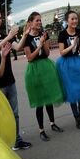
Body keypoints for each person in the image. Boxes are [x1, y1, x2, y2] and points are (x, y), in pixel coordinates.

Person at [0, 11, 31, 151]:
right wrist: (9, 37)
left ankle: (17, 140)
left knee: (15, 113)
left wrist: (24, 34)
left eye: (0, 18)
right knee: (2, 115)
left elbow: (17, 47)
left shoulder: (6, 36)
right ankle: (4, 143)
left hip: (10, 80)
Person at [23, 12, 65, 142]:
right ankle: (41, 130)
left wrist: (45, 42)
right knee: (39, 101)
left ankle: (52, 123)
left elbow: (46, 54)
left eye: (40, 21)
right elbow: (29, 58)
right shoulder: (27, 39)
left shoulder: (43, 35)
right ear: (30, 23)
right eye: (37, 21)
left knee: (49, 98)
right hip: (34, 69)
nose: (39, 23)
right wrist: (39, 45)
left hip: (46, 67)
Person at [56, 10, 80, 130]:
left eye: (76, 19)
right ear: (67, 21)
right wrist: (72, 45)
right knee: (72, 91)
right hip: (66, 64)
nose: (75, 21)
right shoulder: (62, 34)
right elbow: (62, 53)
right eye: (72, 19)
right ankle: (77, 119)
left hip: (78, 62)